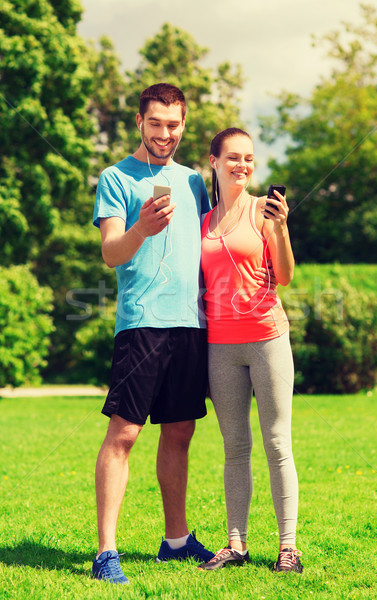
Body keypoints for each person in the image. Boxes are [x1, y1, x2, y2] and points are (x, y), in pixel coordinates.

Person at [91, 83, 214, 584]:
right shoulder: (116, 177)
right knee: (124, 434)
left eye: (174, 124)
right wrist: (141, 228)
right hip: (142, 323)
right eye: (156, 123)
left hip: (190, 324)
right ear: (139, 123)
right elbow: (111, 253)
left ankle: (176, 541)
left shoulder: (192, 182)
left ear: (183, 125)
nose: (166, 133)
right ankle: (106, 553)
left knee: (180, 431)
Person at [198, 128, 303, 573]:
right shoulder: (203, 222)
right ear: (215, 162)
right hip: (220, 346)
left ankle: (288, 547)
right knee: (235, 447)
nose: (243, 165)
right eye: (234, 158)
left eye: (249, 158)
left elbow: (286, 273)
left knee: (278, 443)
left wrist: (279, 228)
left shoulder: (263, 211)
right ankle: (236, 544)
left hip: (266, 339)